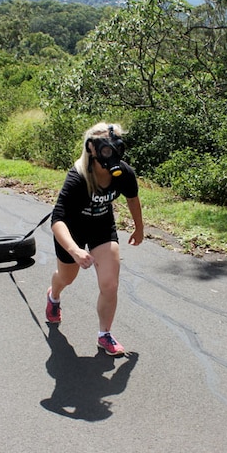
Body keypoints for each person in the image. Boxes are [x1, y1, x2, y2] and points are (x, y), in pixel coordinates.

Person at [45, 122, 144, 356]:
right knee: (67, 277)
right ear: (92, 148)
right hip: (72, 231)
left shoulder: (123, 173)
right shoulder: (77, 177)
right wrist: (74, 250)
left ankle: (105, 334)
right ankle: (53, 295)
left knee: (110, 284)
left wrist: (139, 228)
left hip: (101, 227)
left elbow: (132, 198)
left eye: (116, 146)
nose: (111, 152)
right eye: (105, 147)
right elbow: (57, 220)